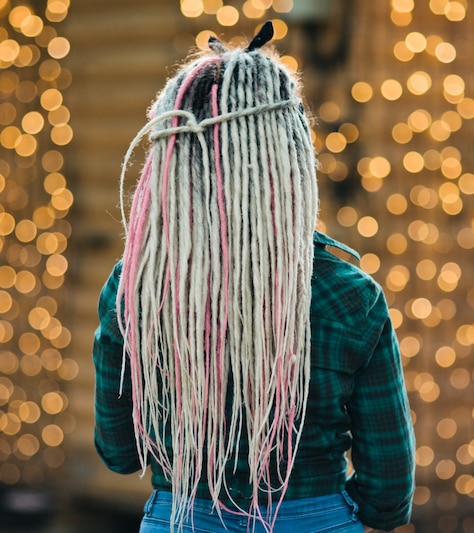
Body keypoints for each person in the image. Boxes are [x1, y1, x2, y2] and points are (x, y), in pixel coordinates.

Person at [93, 21, 415, 533]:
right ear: (291, 156)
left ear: (173, 156)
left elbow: (119, 452)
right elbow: (388, 494)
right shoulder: (350, 297)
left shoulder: (137, 285)